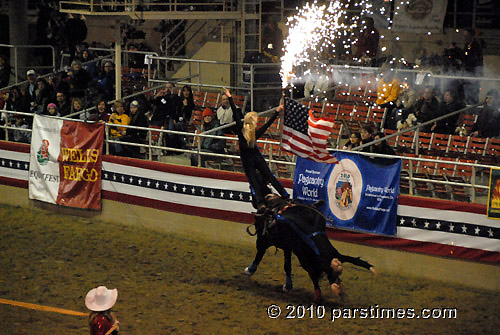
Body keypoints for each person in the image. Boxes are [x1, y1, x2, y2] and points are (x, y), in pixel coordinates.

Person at [224, 88, 289, 209]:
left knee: (254, 181)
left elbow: (235, 112)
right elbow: (267, 124)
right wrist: (276, 111)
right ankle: (285, 195)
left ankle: (260, 203)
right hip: (256, 157)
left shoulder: (241, 130)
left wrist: (230, 97)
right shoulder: (254, 133)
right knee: (269, 176)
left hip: (247, 160)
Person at [461, 28, 483, 105]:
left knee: (472, 97)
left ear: (472, 36)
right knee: (466, 96)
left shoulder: (476, 46)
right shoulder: (466, 45)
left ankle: (472, 113)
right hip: (466, 75)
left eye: (467, 36)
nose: (465, 38)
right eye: (464, 36)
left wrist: (475, 77)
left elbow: (475, 61)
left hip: (473, 75)